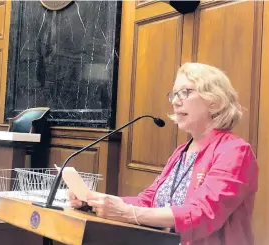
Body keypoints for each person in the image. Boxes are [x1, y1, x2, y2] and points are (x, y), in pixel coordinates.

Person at [69, 63, 258, 245]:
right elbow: (149, 201)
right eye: (174, 94)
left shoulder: (235, 152)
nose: (175, 101)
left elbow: (202, 214)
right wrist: (97, 202)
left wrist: (127, 213)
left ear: (215, 102)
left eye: (185, 92)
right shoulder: (181, 152)